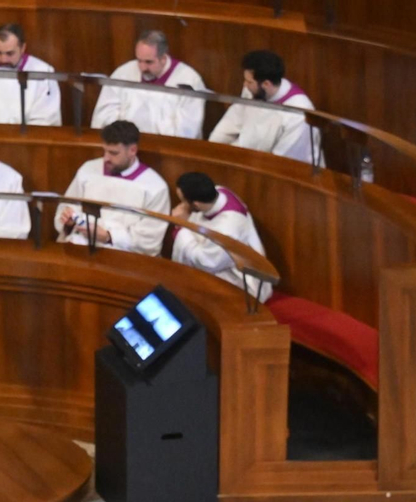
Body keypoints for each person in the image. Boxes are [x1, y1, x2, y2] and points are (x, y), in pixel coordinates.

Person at [56, 121, 170, 256]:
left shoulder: (155, 187)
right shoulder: (88, 170)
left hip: (125, 257)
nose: (106, 158)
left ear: (132, 150)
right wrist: (68, 221)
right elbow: (67, 208)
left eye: (113, 153)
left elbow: (149, 240)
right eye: (105, 150)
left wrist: (109, 236)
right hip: (81, 246)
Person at [171, 172, 273, 302]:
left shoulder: (227, 228)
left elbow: (206, 262)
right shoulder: (219, 191)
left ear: (196, 205)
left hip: (239, 277)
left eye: (183, 201)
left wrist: (181, 226)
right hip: (222, 263)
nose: (181, 206)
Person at [91, 30, 207, 140]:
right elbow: (102, 118)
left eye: (149, 62)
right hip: (123, 144)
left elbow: (187, 132)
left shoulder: (190, 81)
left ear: (163, 58)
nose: (142, 68)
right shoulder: (123, 73)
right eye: (139, 60)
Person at [208, 50, 318, 164]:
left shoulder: (299, 113)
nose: (245, 85)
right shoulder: (254, 90)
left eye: (249, 82)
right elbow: (232, 120)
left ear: (266, 84)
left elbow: (283, 160)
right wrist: (212, 148)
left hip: (273, 167)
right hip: (244, 156)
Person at [0, 24, 61, 127]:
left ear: (23, 48)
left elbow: (46, 119)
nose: (3, 59)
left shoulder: (44, 72)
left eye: (10, 53)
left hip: (31, 135)